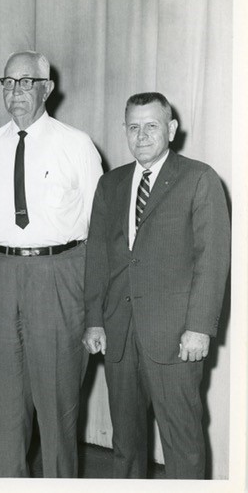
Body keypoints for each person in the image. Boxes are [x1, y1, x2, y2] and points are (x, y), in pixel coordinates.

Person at [82, 92, 230, 479]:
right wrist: (94, 319)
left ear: (172, 129)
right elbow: (97, 256)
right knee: (125, 445)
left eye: (151, 126)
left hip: (175, 335)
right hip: (120, 331)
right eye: (134, 127)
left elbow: (211, 261)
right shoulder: (110, 185)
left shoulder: (199, 178)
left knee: (182, 443)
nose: (142, 135)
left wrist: (199, 328)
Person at [0, 50, 103, 478]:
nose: (15, 92)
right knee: (3, 405)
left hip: (57, 273)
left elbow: (99, 229)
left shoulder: (76, 144)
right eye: (8, 82)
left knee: (56, 405)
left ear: (47, 88)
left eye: (25, 82)